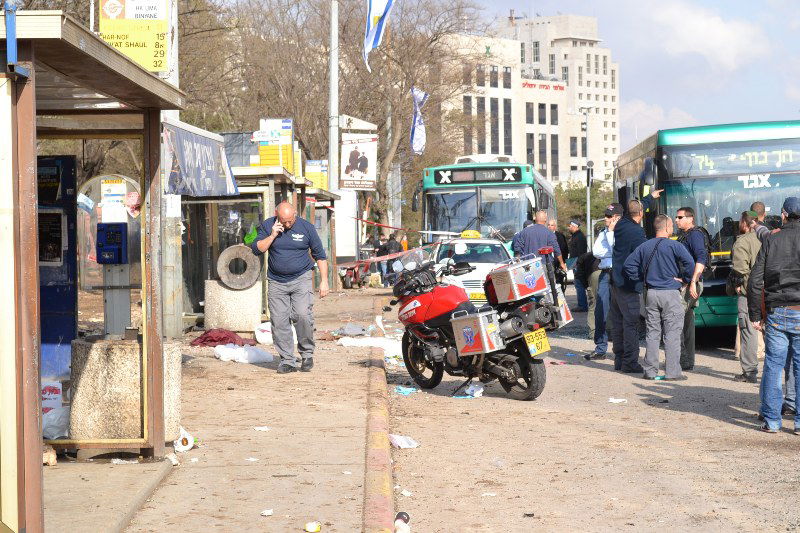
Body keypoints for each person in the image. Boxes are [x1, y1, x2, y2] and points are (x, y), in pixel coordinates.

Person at [251, 202, 329, 373]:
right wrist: (272, 235)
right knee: (279, 321)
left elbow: (320, 256)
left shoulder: (306, 227)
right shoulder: (268, 225)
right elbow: (257, 249)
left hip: (301, 278)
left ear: (295, 214)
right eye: (283, 221)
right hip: (276, 281)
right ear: (276, 215)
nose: (287, 224)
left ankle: (307, 353)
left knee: (302, 315)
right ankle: (287, 360)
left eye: (290, 221)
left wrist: (324, 281)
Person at [747, 197, 800, 433]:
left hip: (777, 310)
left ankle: (772, 421)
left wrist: (755, 314)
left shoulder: (772, 239)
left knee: (773, 365)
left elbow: (755, 279)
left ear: (783, 215)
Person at [624, 214, 695, 380]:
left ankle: (650, 371)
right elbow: (690, 264)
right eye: (672, 226)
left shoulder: (644, 246)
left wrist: (641, 279)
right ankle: (672, 372)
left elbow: (628, 265)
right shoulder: (675, 246)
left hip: (651, 293)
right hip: (670, 293)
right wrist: (684, 280)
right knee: (672, 333)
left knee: (652, 333)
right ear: (667, 228)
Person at [585, 202, 623, 361]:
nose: (605, 218)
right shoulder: (603, 232)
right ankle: (600, 348)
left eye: (608, 216)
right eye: (606, 215)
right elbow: (597, 252)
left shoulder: (622, 231)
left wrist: (612, 234)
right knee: (600, 310)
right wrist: (610, 249)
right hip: (605, 273)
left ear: (617, 217)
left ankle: (621, 349)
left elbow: (617, 250)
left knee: (620, 311)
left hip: (618, 274)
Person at [675, 207, 709, 371]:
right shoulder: (685, 235)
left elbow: (701, 258)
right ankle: (686, 361)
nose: (676, 220)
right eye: (676, 217)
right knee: (687, 322)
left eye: (680, 217)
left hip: (690, 284)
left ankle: (680, 360)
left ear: (690, 218)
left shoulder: (695, 235)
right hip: (687, 283)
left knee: (676, 319)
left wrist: (693, 281)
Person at [730, 211, 762, 383]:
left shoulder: (742, 242)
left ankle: (749, 371)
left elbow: (740, 269)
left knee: (748, 330)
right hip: (770, 291)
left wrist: (738, 285)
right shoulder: (768, 237)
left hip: (749, 292)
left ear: (744, 223)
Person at [568, 221, 589, 311]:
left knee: (579, 284)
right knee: (578, 284)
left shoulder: (579, 237)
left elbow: (581, 253)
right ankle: (581, 304)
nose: (569, 228)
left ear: (575, 226)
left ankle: (582, 306)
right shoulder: (575, 236)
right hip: (574, 263)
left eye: (570, 226)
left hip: (578, 264)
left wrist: (578, 265)